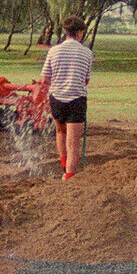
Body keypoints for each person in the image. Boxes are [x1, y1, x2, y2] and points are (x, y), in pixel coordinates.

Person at [41, 15, 94, 180]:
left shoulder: (53, 51)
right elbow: (85, 80)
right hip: (76, 100)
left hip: (56, 99)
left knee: (60, 132)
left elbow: (44, 79)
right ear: (79, 33)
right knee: (73, 142)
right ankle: (69, 176)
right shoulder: (87, 53)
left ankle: (64, 167)